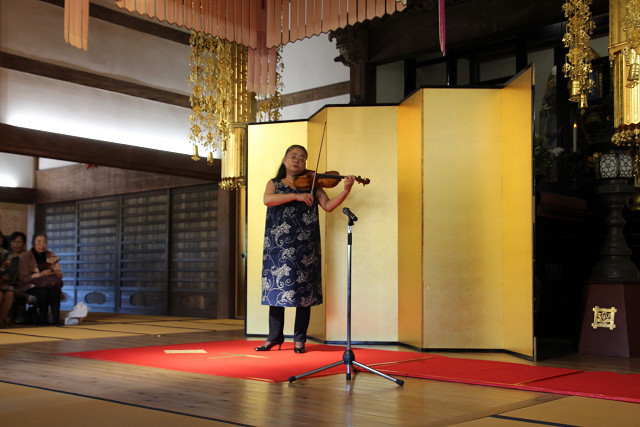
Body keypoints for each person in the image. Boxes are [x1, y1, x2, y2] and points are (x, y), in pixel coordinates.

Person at [255, 145, 355, 354]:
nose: (297, 160)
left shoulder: (313, 186)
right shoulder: (274, 184)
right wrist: (296, 196)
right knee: (276, 292)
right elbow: (267, 200)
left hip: (305, 245)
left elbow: (328, 206)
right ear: (284, 160)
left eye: (302, 158)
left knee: (304, 293)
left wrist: (345, 190)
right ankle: (274, 337)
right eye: (293, 156)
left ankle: (299, 340)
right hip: (277, 246)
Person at [19, 234, 64, 325]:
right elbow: (23, 277)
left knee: (55, 291)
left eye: (44, 242)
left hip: (49, 284)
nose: (42, 244)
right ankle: (43, 320)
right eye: (39, 242)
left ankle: (56, 320)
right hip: (32, 285)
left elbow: (60, 274)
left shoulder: (50, 255)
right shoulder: (25, 256)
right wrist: (40, 274)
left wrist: (53, 272)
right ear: (33, 243)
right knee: (43, 292)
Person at [0, 244, 19, 328]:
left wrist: (4, 279)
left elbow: (10, 273)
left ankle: (0, 320)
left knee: (9, 294)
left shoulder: (7, 254)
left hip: (2, 282)